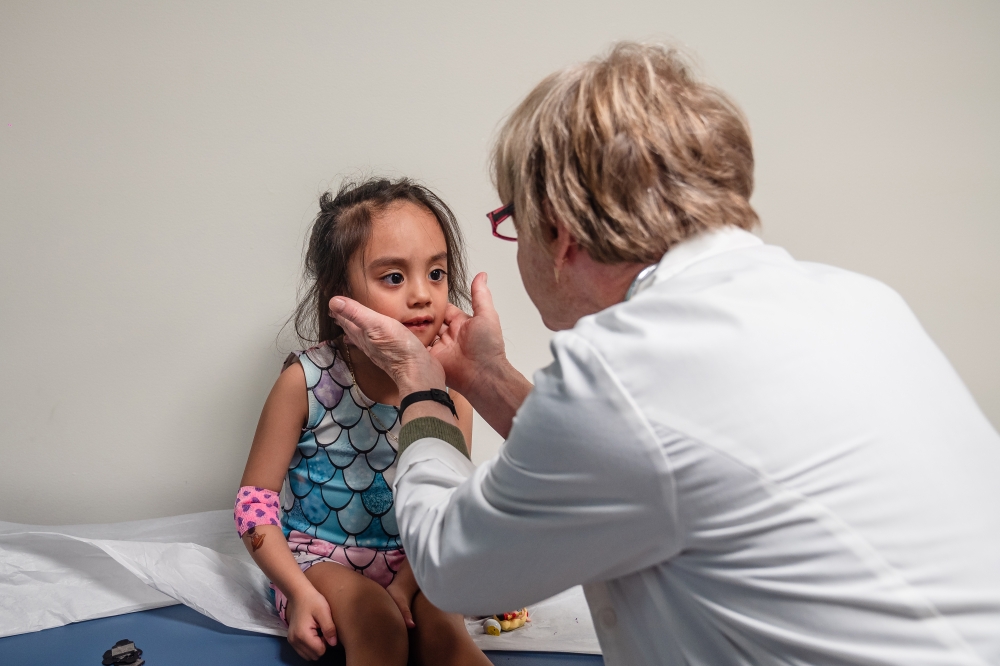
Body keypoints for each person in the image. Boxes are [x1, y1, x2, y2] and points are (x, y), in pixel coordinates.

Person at [329, 43, 1000, 665]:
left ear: (557, 232)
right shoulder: (860, 300)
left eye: (513, 224)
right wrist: (486, 377)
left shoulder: (623, 369)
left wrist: (421, 389)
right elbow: (643, 455)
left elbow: (455, 570)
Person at [235, 178, 491, 665]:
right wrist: (297, 592)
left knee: (447, 635)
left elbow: (448, 504)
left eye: (436, 273)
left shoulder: (451, 389)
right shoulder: (304, 380)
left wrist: (410, 581)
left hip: (416, 563)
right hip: (320, 561)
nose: (422, 295)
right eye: (394, 277)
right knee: (377, 625)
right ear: (340, 293)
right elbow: (253, 504)